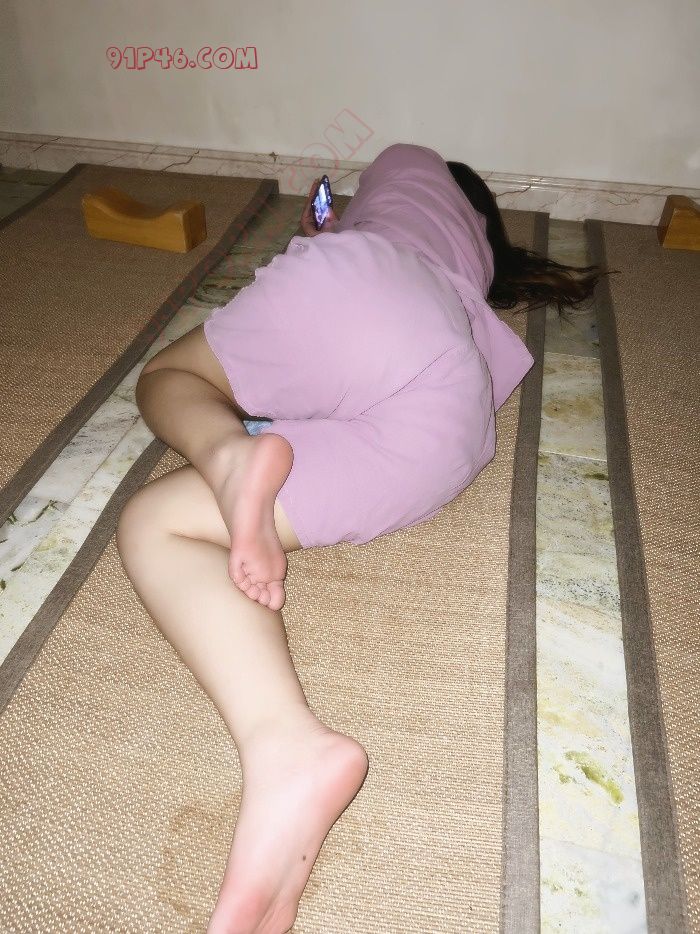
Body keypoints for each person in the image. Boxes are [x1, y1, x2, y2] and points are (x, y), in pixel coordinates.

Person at [115, 143, 607, 933]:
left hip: (365, 287)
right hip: (453, 423)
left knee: (168, 379)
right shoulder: (477, 263)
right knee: (159, 523)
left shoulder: (406, 159)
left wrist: (324, 226)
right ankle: (286, 751)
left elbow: (339, 262)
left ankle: (229, 452)